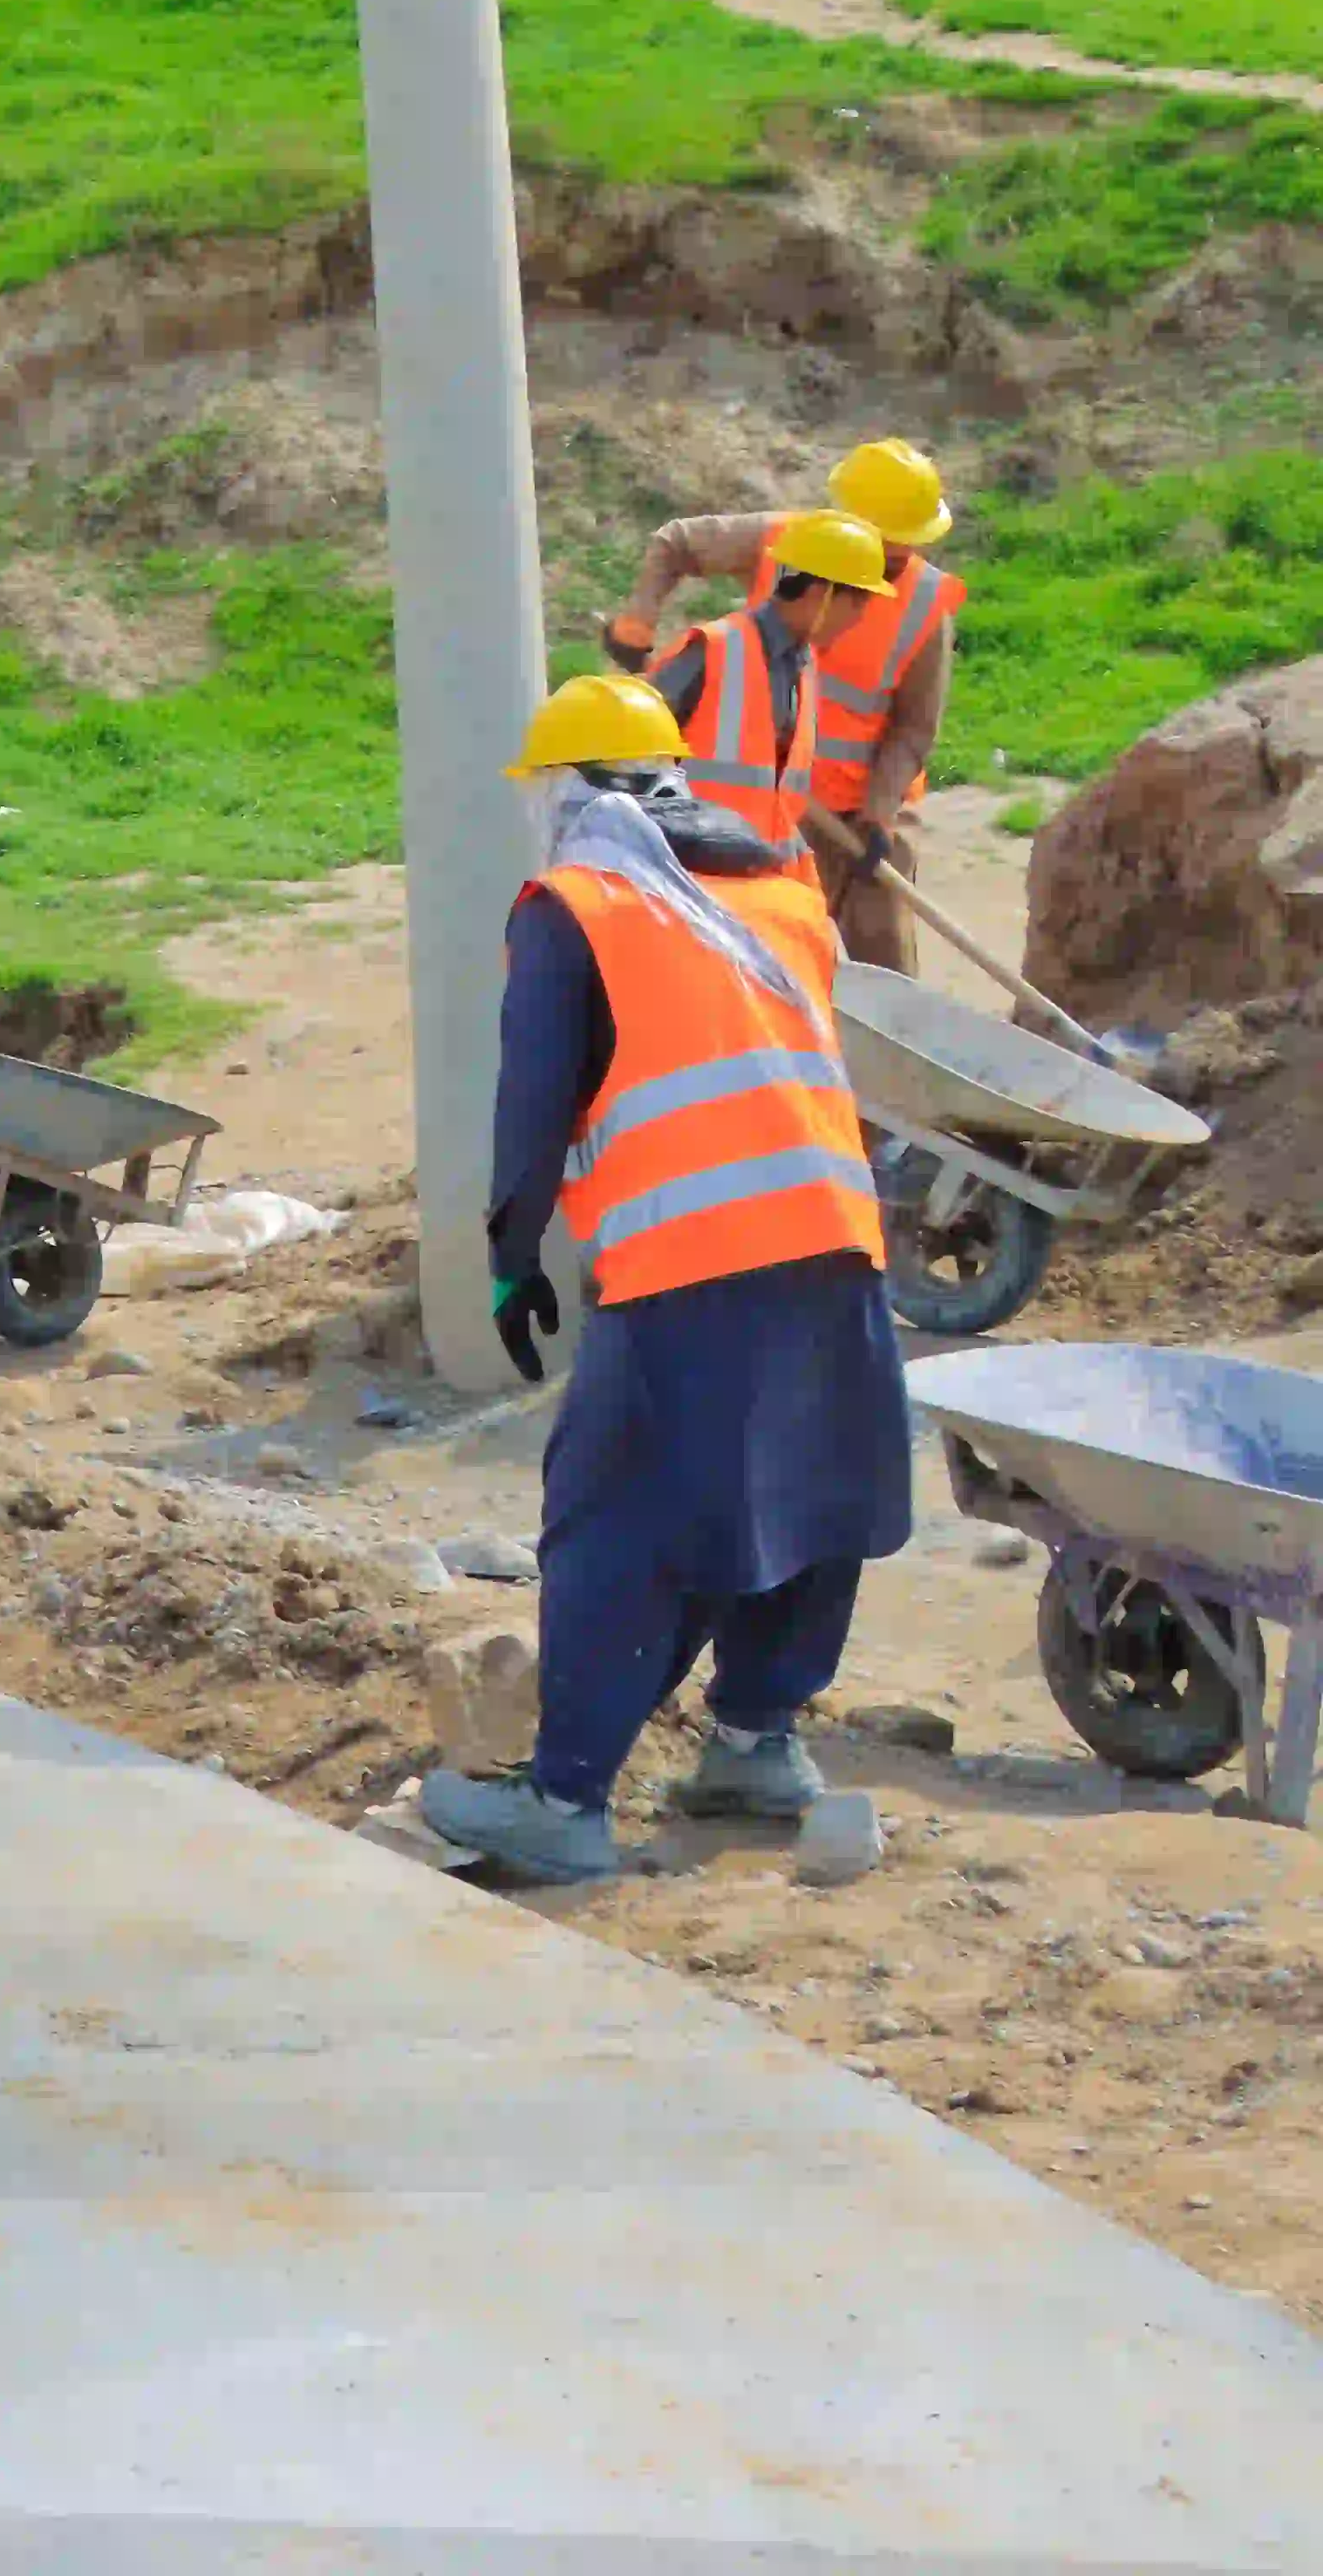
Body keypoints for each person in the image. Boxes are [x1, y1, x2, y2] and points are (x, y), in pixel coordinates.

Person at [419, 676, 910, 1886]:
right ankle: (754, 1740)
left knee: (611, 1518)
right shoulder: (780, 885)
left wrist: (506, 1259)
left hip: (692, 1261)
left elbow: (532, 1102)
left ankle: (567, 1801)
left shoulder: (576, 903)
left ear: (569, 791)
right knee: (805, 1485)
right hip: (836, 1238)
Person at [610, 441, 960, 970]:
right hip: (763, 799)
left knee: (884, 950)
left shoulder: (927, 607)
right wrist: (638, 619)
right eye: (883, 558)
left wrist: (879, 815)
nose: (889, 577)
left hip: (860, 807)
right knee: (761, 948)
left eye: (904, 554)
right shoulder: (784, 547)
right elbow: (677, 543)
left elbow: (914, 729)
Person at [635, 507, 879, 873]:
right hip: (694, 882)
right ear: (820, 592)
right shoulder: (713, 650)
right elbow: (632, 760)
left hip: (758, 885)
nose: (861, 617)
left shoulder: (804, 665)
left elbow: (778, 800)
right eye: (858, 601)